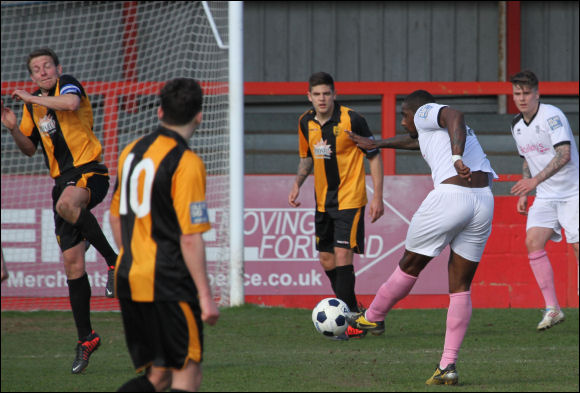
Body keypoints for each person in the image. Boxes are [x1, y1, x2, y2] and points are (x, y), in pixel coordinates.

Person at [347, 90, 497, 385]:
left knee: (410, 265)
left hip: (451, 196)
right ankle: (447, 366)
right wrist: (377, 143)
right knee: (460, 286)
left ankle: (373, 315)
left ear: (418, 111)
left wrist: (455, 157)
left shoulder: (426, 111)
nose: (404, 122)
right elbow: (417, 141)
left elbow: (454, 115)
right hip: (483, 200)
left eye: (404, 115)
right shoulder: (435, 132)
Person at [0, 48, 118, 374]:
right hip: (61, 182)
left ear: (57, 68)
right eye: (36, 69)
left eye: (46, 66)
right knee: (72, 264)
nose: (42, 72)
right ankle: (87, 338)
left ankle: (115, 262)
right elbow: (28, 149)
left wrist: (31, 97)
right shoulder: (32, 106)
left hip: (90, 172)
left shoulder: (66, 85)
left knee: (67, 204)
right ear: (32, 74)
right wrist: (12, 128)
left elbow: (70, 105)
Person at [110, 77, 220, 392]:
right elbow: (189, 236)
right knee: (187, 374)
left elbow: (115, 216)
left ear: (159, 112)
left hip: (130, 277)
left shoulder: (131, 151)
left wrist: (132, 257)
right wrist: (205, 296)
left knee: (158, 376)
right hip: (169, 282)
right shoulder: (187, 163)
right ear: (199, 115)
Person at [288, 71, 385, 340]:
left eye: (326, 93)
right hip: (323, 202)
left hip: (350, 199)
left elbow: (374, 156)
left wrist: (378, 195)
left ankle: (351, 325)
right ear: (309, 96)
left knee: (343, 255)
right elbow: (306, 157)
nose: (322, 98)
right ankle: (355, 311)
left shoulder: (352, 119)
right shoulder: (304, 121)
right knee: (326, 259)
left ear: (335, 94)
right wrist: (298, 183)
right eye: (317, 94)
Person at [509, 70, 579, 331]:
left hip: (573, 192)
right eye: (517, 93)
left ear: (537, 93)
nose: (522, 98)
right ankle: (553, 309)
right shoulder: (516, 124)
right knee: (532, 241)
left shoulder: (552, 116)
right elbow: (526, 157)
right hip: (546, 195)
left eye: (527, 93)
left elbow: (564, 155)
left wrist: (533, 182)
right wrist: (527, 191)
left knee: (577, 246)